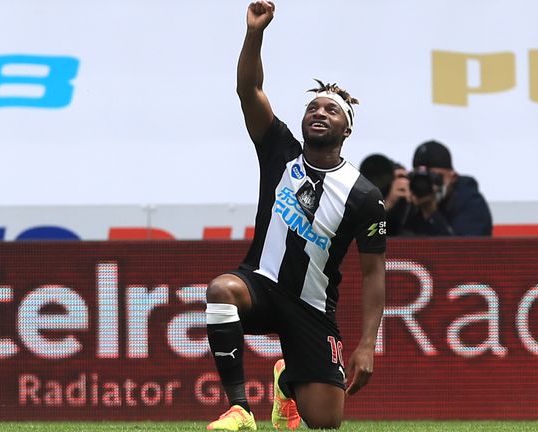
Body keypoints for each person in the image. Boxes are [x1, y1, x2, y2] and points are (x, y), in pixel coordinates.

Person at [204, 1, 387, 430]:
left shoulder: (363, 195)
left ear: (347, 129)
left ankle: (286, 383)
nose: (319, 112)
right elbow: (249, 91)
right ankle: (239, 410)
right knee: (221, 290)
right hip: (261, 284)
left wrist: (367, 344)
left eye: (331, 110)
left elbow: (375, 272)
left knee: (325, 421)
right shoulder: (279, 150)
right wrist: (254, 34)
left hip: (312, 308)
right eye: (313, 108)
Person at [388, 140, 493, 236]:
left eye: (436, 177)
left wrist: (431, 213)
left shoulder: (470, 201)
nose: (427, 184)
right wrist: (388, 205)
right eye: (421, 178)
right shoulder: (408, 200)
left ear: (453, 177)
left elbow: (465, 252)